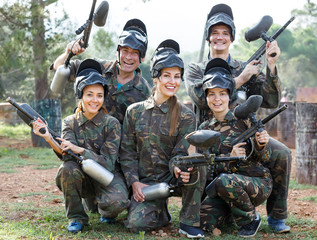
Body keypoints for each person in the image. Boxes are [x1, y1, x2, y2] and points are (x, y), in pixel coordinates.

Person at [184, 3, 292, 233]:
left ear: (231, 38)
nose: (219, 37)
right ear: (208, 38)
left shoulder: (246, 65)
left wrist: (271, 65)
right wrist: (240, 79)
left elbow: (271, 101)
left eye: (225, 33)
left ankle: (276, 218)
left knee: (282, 152)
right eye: (215, 33)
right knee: (209, 208)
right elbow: (200, 99)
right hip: (210, 137)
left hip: (244, 133)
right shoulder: (196, 69)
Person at [119, 39, 206, 238]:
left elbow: (180, 152)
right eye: (167, 75)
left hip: (173, 177)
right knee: (136, 224)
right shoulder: (135, 112)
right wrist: (134, 183)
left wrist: (178, 167)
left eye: (177, 77)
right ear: (156, 78)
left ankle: (188, 222)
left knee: (197, 165)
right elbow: (127, 152)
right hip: (146, 182)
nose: (172, 81)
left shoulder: (186, 115)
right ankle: (159, 211)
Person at [33, 59, 129, 233]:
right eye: (89, 94)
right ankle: (77, 217)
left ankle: (103, 208)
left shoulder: (112, 124)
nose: (95, 100)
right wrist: (48, 138)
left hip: (105, 175)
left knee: (117, 203)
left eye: (99, 95)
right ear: (81, 96)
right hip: (81, 177)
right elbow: (67, 155)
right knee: (67, 169)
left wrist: (80, 150)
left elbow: (108, 163)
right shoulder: (70, 122)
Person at [198, 58, 272, 238]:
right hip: (225, 188)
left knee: (225, 181)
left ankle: (250, 218)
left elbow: (265, 158)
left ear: (229, 95)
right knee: (203, 221)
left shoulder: (244, 119)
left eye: (222, 94)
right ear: (206, 97)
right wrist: (229, 157)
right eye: (212, 94)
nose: (217, 99)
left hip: (256, 183)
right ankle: (233, 210)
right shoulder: (204, 130)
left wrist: (261, 144)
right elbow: (208, 169)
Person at [51, 18, 151, 124]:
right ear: (117, 52)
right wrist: (68, 53)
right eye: (125, 51)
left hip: (113, 140)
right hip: (78, 137)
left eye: (135, 53)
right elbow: (58, 68)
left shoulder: (145, 94)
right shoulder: (94, 67)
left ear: (142, 57)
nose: (128, 57)